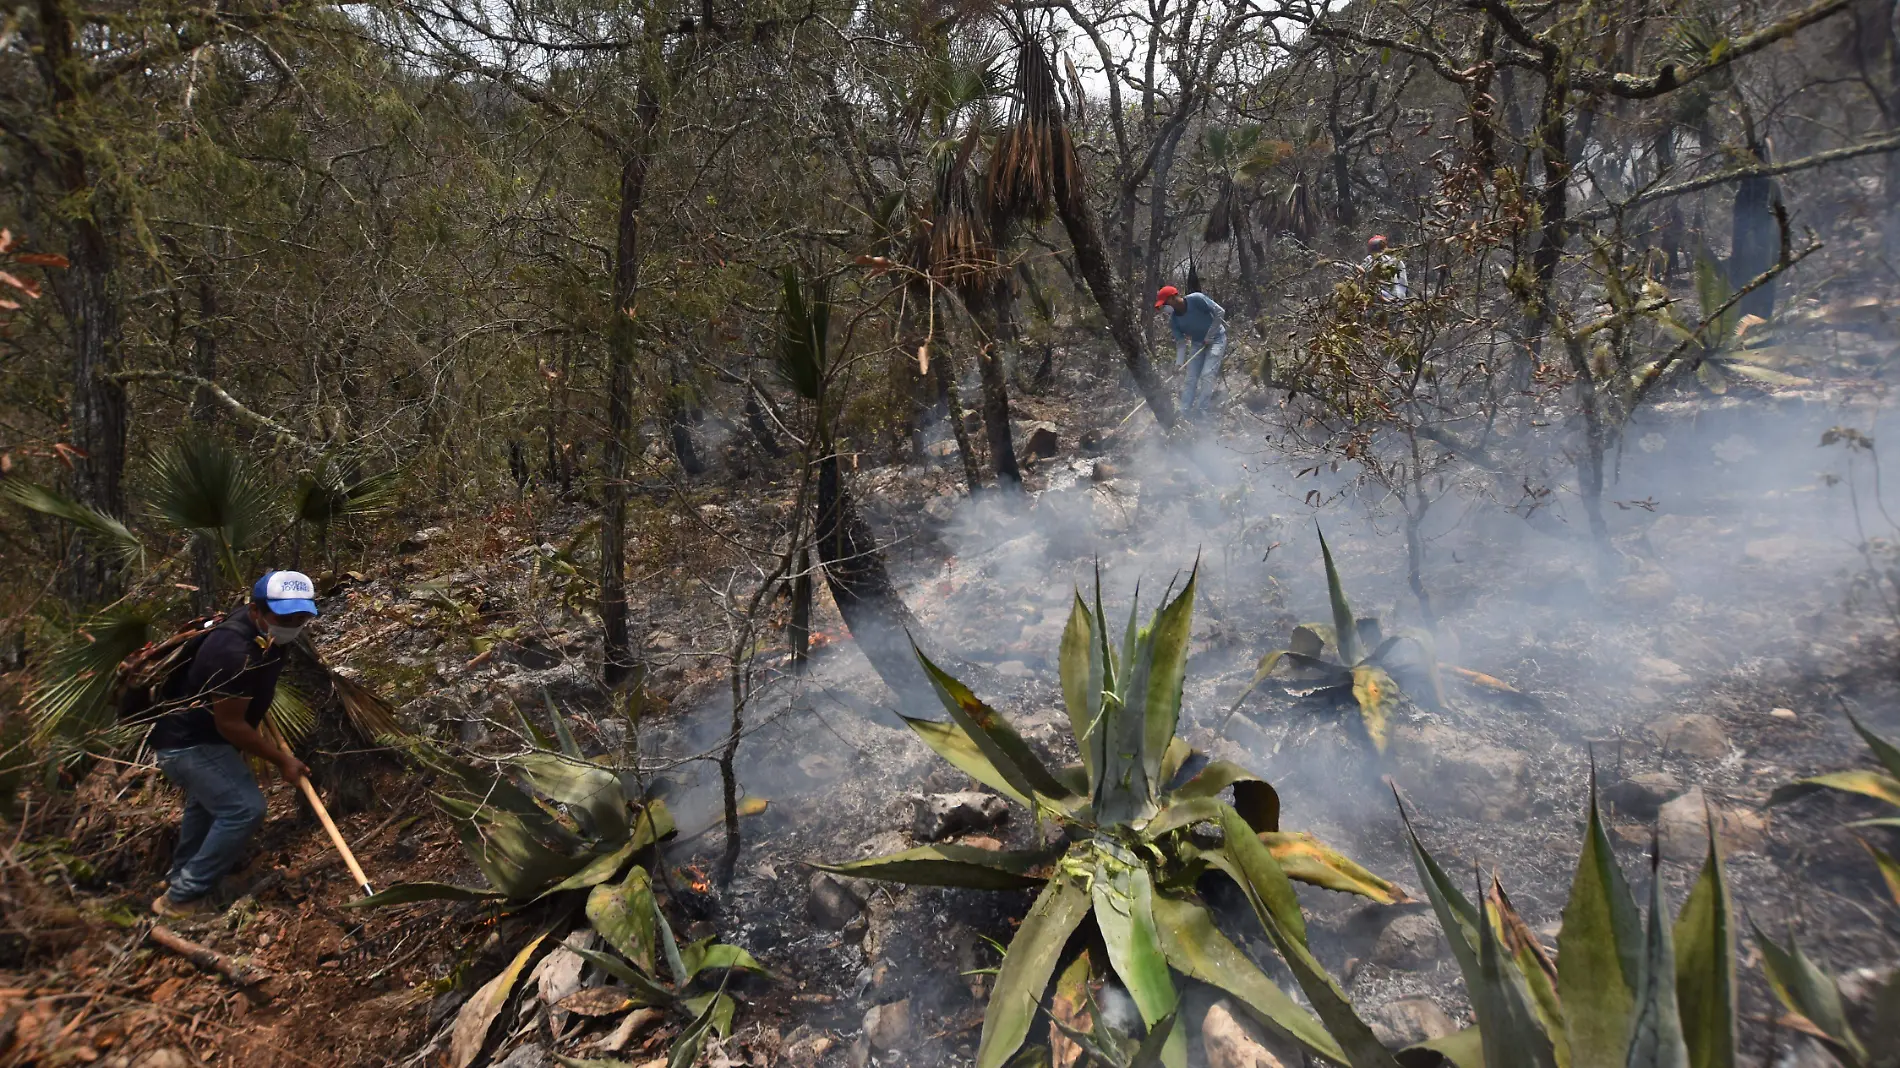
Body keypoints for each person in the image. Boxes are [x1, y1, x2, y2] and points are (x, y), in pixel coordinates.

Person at [147, 570, 318, 918]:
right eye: (284, 617)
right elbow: (230, 725)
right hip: (189, 744)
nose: (293, 624)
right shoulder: (232, 652)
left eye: (301, 616)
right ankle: (182, 899)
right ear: (256, 610)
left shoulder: (264, 634)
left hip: (203, 739)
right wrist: (282, 760)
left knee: (206, 806)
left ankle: (180, 878)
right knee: (244, 808)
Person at [1155, 285, 1227, 418]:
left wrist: (1210, 335)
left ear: (1173, 298)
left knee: (1206, 375)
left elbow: (1220, 312)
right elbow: (1181, 343)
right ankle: (1184, 412)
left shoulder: (1196, 299)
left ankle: (1201, 411)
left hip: (1217, 338)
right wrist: (1178, 364)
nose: (1164, 308)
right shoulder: (1174, 321)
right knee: (1190, 379)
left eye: (1165, 304)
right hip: (1198, 343)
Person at [1361, 234, 1410, 303]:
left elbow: (1361, 273)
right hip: (1399, 299)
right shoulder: (1396, 260)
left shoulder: (1370, 260)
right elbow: (1404, 282)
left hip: (1381, 301)